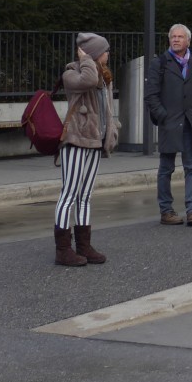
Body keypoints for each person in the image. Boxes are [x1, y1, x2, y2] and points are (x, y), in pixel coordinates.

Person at [53, 33, 118, 267]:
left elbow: (107, 109)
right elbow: (88, 80)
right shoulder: (72, 73)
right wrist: (86, 59)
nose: (108, 54)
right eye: (104, 50)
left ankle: (84, 246)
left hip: (95, 142)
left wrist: (111, 133)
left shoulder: (104, 77)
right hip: (76, 140)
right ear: (93, 53)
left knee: (85, 196)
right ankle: (63, 250)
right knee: (69, 194)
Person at [145, 23, 192, 227]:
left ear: (188, 40)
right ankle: (166, 211)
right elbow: (151, 94)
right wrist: (162, 116)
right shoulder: (160, 63)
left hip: (191, 122)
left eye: (180, 37)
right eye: (173, 36)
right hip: (170, 123)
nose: (175, 39)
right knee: (166, 168)